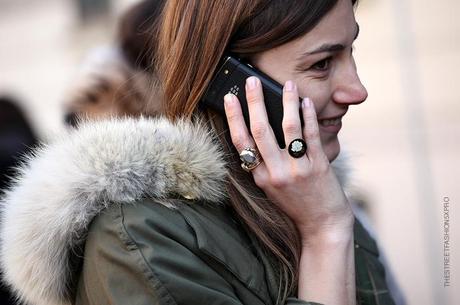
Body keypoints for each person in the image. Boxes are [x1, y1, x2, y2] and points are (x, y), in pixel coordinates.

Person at [0, 1, 399, 305]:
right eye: (322, 64)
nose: (357, 90)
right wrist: (324, 236)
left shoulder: (317, 197)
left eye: (351, 52)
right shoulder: (138, 239)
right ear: (229, 81)